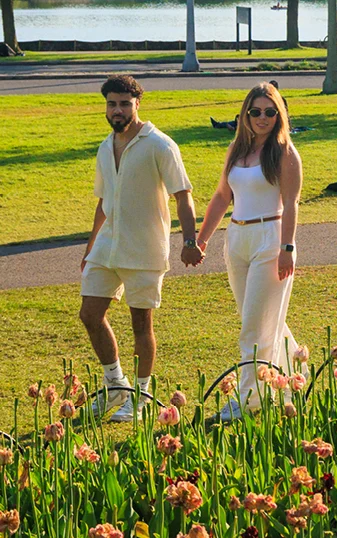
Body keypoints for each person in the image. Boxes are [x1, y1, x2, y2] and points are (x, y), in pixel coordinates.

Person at [81, 75, 202, 422]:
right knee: (89, 313)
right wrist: (90, 246)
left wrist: (189, 242)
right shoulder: (106, 146)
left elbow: (183, 196)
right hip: (107, 246)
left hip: (144, 248)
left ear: (137, 104)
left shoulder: (160, 145)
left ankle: (142, 393)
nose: (117, 110)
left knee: (140, 323)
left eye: (124, 103)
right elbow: (104, 201)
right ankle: (116, 385)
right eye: (111, 104)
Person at [196, 83, 304, 422]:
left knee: (253, 328)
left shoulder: (285, 152)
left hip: (270, 239)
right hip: (237, 237)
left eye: (270, 112)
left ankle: (248, 400)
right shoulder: (236, 150)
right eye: (255, 111)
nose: (262, 118)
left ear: (279, 115)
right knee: (259, 321)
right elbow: (220, 197)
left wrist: (287, 248)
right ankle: (291, 382)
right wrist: (201, 240)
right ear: (245, 114)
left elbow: (291, 205)